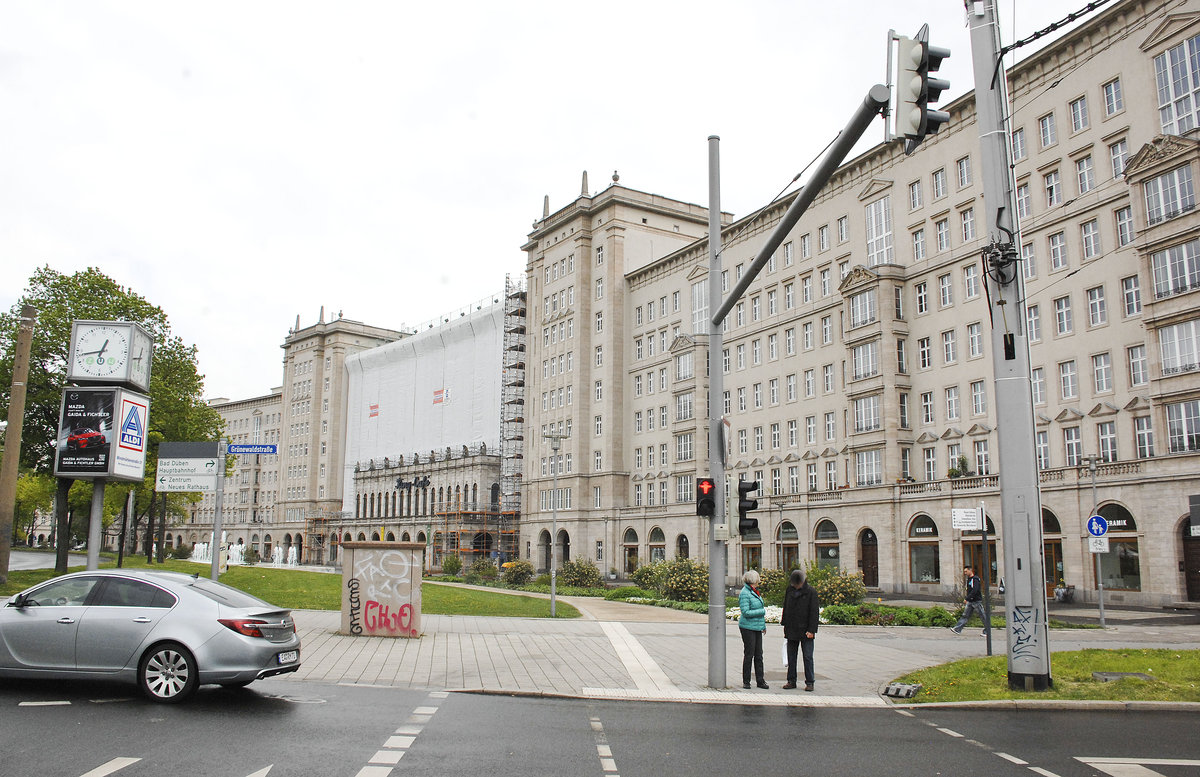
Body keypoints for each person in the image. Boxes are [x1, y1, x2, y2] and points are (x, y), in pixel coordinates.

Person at [780, 568, 820, 691]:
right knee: (791, 657)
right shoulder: (789, 590)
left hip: (806, 630)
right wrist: (785, 625)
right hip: (792, 628)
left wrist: (812, 630)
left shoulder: (811, 592)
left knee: (807, 657)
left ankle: (810, 682)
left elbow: (814, 613)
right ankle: (791, 681)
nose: (796, 586)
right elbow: (786, 608)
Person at [738, 569, 768, 689]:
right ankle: (746, 681)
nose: (759, 581)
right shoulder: (745, 593)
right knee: (749, 654)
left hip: (756, 627)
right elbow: (745, 612)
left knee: (759, 655)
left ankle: (760, 681)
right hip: (747, 627)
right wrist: (762, 611)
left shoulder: (754, 591)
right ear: (753, 580)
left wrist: (763, 626)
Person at [951, 565, 985, 634]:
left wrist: (967, 598)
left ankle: (987, 631)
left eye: (966, 571)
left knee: (982, 616)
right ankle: (957, 629)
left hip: (976, 601)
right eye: (964, 571)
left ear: (970, 570)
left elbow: (975, 590)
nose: (965, 573)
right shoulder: (969, 579)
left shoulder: (975, 579)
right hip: (970, 601)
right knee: (965, 615)